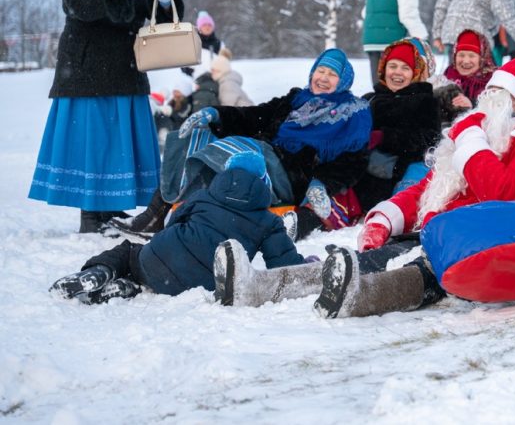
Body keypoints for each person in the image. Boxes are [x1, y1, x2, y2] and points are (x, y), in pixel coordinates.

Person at [212, 52, 515, 316]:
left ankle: (360, 299)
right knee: (361, 260)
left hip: (473, 246)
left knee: (411, 271)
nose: (485, 104)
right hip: (439, 231)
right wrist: (386, 218)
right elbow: (433, 186)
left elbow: (504, 195)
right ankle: (258, 287)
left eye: (495, 97)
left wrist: (470, 141)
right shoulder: (491, 136)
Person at [28, 0, 185, 233]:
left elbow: (154, 14)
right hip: (86, 70)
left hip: (127, 69)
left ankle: (114, 212)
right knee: (93, 142)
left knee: (119, 143)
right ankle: (90, 216)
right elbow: (79, 5)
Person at [109, 48, 372, 237]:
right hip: (260, 152)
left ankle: (194, 221)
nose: (323, 78)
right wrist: (214, 114)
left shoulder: (353, 114)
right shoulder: (296, 98)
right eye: (320, 71)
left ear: (344, 81)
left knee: (233, 153)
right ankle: (156, 214)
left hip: (288, 175)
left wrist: (321, 184)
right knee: (192, 137)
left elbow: (352, 163)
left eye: (331, 75)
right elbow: (255, 115)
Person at [50, 152, 304, 304]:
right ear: (264, 183)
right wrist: (305, 262)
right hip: (206, 282)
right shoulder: (268, 221)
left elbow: (174, 222)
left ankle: (100, 271)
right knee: (160, 275)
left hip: (159, 256)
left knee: (129, 252)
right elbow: (285, 266)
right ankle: (132, 288)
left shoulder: (204, 195)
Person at [345, 38, 441, 234]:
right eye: (393, 66)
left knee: (412, 185)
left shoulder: (425, 102)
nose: (397, 72)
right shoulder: (370, 100)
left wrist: (386, 137)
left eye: (405, 68)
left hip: (404, 168)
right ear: (383, 68)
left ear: (416, 73)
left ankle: (399, 219)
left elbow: (428, 139)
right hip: (370, 172)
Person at [433, 29, 498, 124]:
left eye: (471, 56)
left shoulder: (492, 79)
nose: (466, 61)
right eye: (461, 55)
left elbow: (496, 107)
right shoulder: (450, 72)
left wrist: (472, 103)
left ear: (482, 58)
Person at [154, 76, 196, 149]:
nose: (175, 95)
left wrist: (171, 112)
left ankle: (164, 134)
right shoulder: (172, 102)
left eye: (178, 92)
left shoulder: (188, 104)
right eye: (174, 92)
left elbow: (183, 117)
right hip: (171, 130)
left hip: (179, 132)